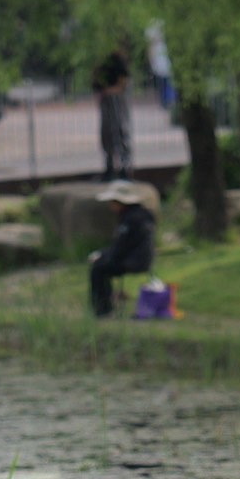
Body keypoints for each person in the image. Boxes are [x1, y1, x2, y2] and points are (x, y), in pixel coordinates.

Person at [87, 183, 155, 318]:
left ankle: (103, 310)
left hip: (133, 261)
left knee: (98, 269)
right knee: (102, 265)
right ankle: (106, 306)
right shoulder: (143, 214)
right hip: (142, 258)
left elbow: (121, 247)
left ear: (120, 202)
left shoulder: (130, 219)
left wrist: (102, 256)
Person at [93, 45, 133, 179]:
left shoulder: (117, 60)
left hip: (116, 99)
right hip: (106, 100)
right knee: (107, 133)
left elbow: (123, 83)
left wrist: (110, 91)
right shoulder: (102, 61)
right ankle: (109, 166)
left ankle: (124, 167)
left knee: (119, 130)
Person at [146, 21, 176, 113]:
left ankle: (168, 101)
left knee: (166, 82)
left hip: (164, 63)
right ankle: (165, 102)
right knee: (162, 83)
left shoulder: (162, 45)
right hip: (159, 64)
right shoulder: (154, 45)